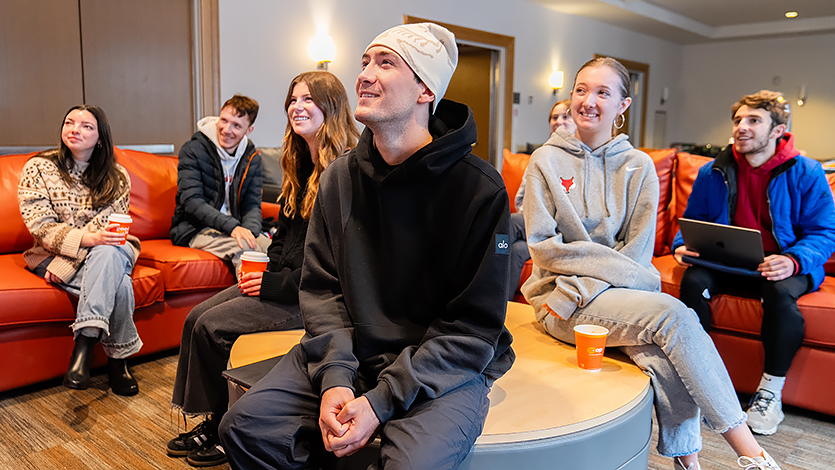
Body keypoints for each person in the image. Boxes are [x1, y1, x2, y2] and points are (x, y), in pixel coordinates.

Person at [220, 23, 515, 470]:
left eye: (386, 62)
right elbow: (322, 290)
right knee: (243, 428)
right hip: (353, 350)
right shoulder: (339, 178)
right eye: (364, 62)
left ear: (425, 89)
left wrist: (380, 402)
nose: (364, 74)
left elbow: (470, 330)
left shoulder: (479, 191)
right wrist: (336, 380)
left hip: (436, 368)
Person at [521, 58, 782, 470]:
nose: (588, 101)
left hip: (598, 297)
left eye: (603, 93)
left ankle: (688, 463)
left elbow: (639, 253)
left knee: (663, 355)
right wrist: (577, 290)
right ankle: (753, 454)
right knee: (673, 317)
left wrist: (583, 284)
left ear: (623, 105)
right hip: (557, 304)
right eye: (581, 89)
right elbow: (544, 249)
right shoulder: (545, 162)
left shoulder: (638, 166)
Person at [166, 71, 359, 467]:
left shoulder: (345, 170)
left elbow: (331, 267)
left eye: (308, 99)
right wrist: (260, 270)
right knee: (196, 316)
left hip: (310, 296)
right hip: (282, 282)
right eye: (292, 99)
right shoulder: (300, 161)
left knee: (213, 327)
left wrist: (270, 285)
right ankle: (206, 418)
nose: (296, 106)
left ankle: (221, 427)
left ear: (332, 107)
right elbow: (286, 237)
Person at [673, 90, 835, 436]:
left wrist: (793, 261)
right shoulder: (712, 170)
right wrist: (680, 247)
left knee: (779, 294)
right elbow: (692, 222)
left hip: (783, 266)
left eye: (753, 120)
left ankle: (768, 394)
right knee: (692, 281)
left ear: (778, 129)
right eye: (737, 120)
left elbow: (824, 233)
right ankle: (701, 381)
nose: (741, 128)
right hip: (728, 262)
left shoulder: (807, 171)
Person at [18, 105, 142, 396]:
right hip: (49, 252)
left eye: (86, 126)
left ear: (100, 138)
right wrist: (83, 246)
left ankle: (84, 344)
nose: (75, 129)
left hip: (101, 251)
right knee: (120, 282)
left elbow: (109, 233)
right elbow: (41, 226)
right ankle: (118, 361)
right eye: (69, 123)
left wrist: (67, 265)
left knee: (110, 250)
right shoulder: (38, 168)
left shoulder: (118, 176)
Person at [170, 94, 267, 271]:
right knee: (246, 251)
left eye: (237, 125)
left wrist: (250, 233)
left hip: (234, 227)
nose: (226, 129)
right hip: (195, 228)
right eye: (224, 120)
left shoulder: (251, 157)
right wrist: (233, 228)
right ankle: (250, 298)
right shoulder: (193, 150)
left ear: (249, 130)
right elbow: (191, 202)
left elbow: (252, 204)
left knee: (272, 249)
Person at [507, 99, 577, 300]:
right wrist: (533, 216)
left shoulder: (579, 158)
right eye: (554, 117)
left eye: (565, 116)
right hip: (533, 226)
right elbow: (521, 199)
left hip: (561, 230)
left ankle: (478, 274)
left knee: (509, 222)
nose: (559, 121)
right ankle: (503, 309)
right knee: (516, 249)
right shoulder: (539, 156)